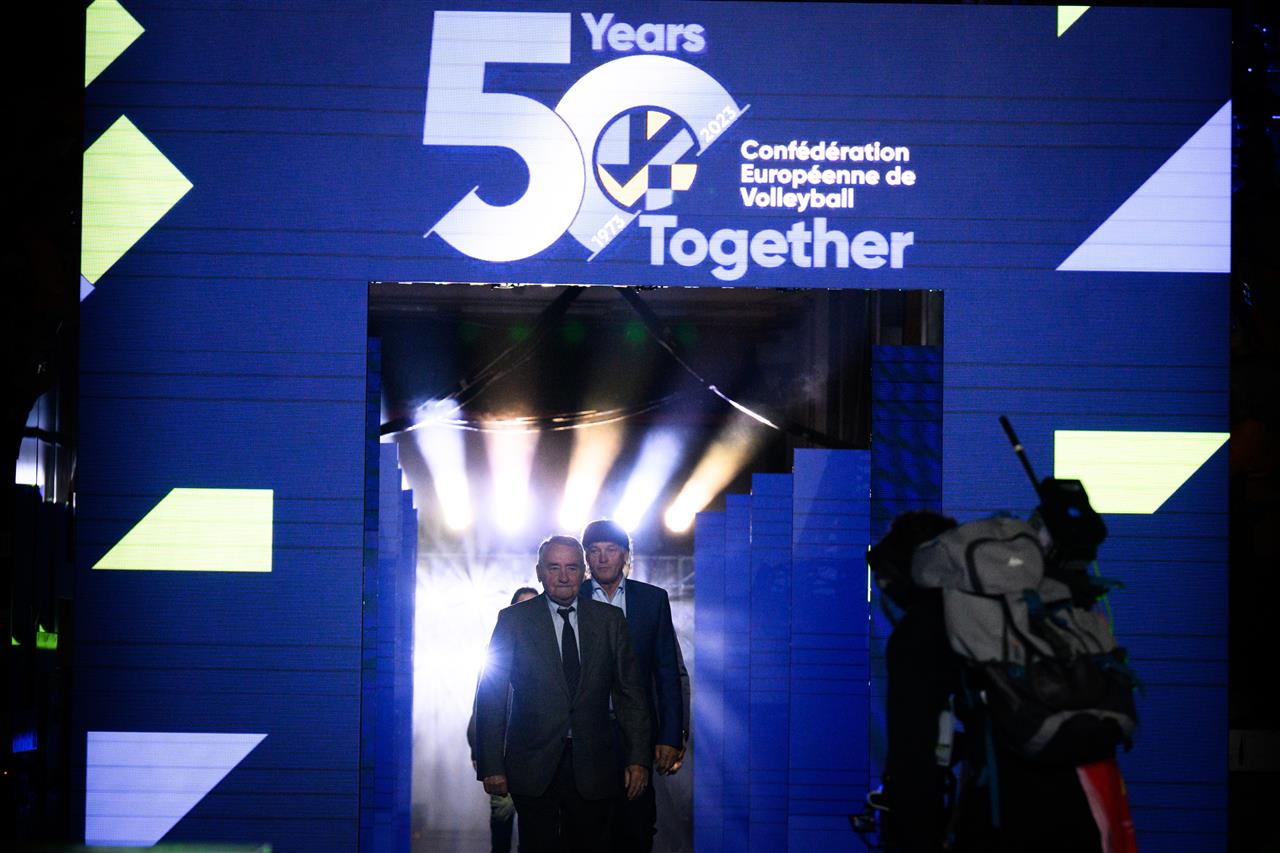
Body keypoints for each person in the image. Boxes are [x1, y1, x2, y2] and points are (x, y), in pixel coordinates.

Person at [474, 535, 651, 853]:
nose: (564, 576)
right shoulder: (514, 620)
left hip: (595, 763)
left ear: (584, 572)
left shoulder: (610, 620)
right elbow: (491, 695)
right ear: (539, 572)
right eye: (554, 567)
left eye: (572, 567)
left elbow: (630, 693)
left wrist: (638, 758)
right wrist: (492, 764)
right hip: (532, 762)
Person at [578, 519, 684, 853]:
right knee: (586, 829)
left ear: (625, 554)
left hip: (636, 730)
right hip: (583, 732)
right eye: (594, 551)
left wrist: (671, 735)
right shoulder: (572, 597)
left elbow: (667, 671)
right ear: (586, 557)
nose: (603, 558)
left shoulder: (652, 600)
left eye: (610, 550)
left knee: (636, 827)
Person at [468, 586, 540, 853]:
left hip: (540, 753)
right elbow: (483, 705)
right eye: (522, 606)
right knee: (502, 821)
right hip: (505, 752)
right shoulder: (497, 651)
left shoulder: (555, 651)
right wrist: (482, 752)